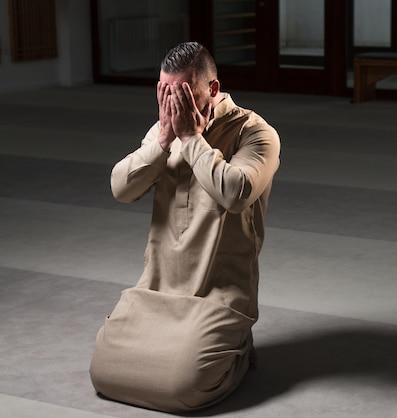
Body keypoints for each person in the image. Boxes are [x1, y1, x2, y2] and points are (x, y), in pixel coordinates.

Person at [89, 41, 280, 413]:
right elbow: (120, 188)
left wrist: (192, 139)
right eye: (165, 94)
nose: (174, 107)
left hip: (219, 294)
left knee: (183, 389)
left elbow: (236, 193)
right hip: (156, 288)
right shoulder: (165, 129)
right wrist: (163, 139)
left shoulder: (256, 133)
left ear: (212, 89)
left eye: (183, 96)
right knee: (105, 375)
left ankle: (238, 344)